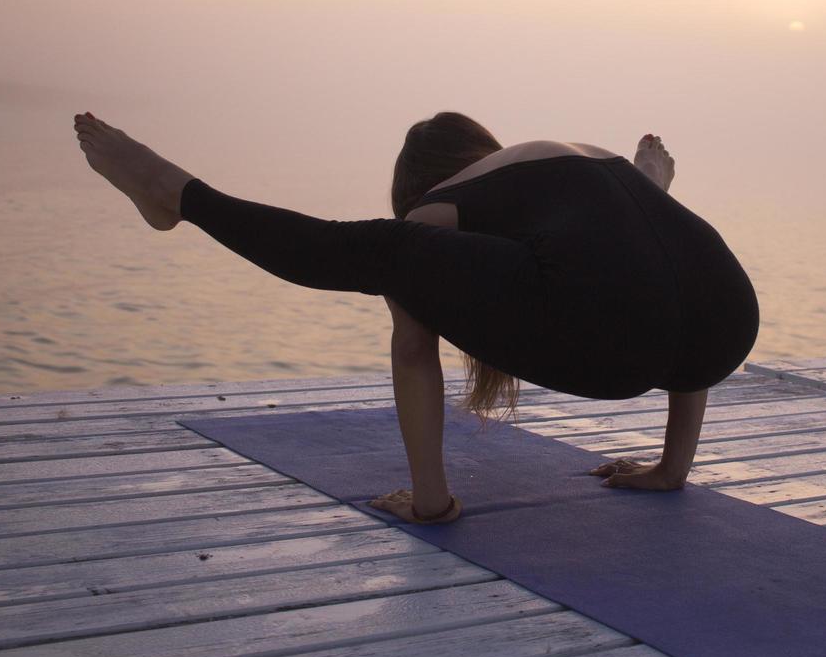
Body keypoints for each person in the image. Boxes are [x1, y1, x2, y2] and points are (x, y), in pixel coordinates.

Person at [71, 110, 759, 526]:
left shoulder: (443, 203)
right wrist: (671, 468)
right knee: (660, 259)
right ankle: (655, 186)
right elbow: (670, 283)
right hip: (727, 321)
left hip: (612, 337)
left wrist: (430, 499)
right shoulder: (555, 168)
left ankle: (178, 195)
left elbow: (411, 349)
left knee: (384, 249)